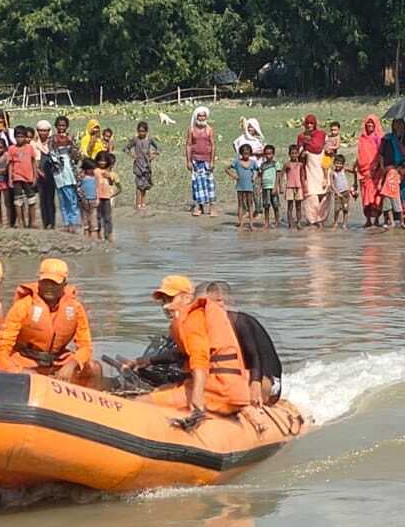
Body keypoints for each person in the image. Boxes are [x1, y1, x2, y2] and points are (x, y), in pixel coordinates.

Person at [143, 275, 251, 420]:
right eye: (163, 300)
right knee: (160, 390)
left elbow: (199, 360)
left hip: (217, 391)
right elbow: (181, 354)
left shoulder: (193, 320)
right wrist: (147, 361)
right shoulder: (194, 317)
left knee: (141, 403)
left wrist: (197, 397)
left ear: (186, 298)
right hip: (225, 389)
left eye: (170, 299)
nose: (165, 306)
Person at [0, 258, 96, 385]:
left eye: (54, 283)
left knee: (95, 368)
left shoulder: (75, 308)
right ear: (39, 282)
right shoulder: (23, 306)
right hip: (26, 361)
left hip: (58, 361)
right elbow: (2, 350)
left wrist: (72, 363)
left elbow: (85, 346)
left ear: (64, 284)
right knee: (24, 375)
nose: (49, 287)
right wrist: (18, 370)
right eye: (46, 282)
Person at [200, 281, 282, 405]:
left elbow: (254, 356)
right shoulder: (204, 325)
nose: (209, 307)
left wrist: (255, 383)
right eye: (205, 303)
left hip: (267, 378)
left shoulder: (240, 322)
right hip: (239, 375)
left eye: (217, 301)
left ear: (225, 303)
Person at [123, 121, 160, 212]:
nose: (141, 133)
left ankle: (143, 203)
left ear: (146, 131)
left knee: (145, 185)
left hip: (147, 165)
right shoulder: (135, 140)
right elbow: (126, 148)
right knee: (139, 186)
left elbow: (158, 148)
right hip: (138, 165)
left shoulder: (149, 140)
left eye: (143, 131)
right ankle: (138, 204)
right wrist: (132, 155)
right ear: (137, 131)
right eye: (139, 131)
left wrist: (153, 155)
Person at [185, 107, 216, 217]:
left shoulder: (209, 129)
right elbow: (188, 145)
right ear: (196, 117)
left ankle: (212, 208)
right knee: (197, 185)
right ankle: (199, 207)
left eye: (203, 116)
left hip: (207, 160)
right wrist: (188, 161)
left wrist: (212, 161)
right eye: (200, 116)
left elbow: (213, 145)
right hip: (195, 160)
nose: (202, 118)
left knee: (209, 183)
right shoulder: (191, 130)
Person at [355, 114, 384, 227]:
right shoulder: (362, 138)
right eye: (368, 123)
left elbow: (380, 153)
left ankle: (376, 219)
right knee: (365, 197)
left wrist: (376, 166)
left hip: (376, 172)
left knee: (376, 196)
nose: (370, 125)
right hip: (364, 172)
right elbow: (360, 154)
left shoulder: (379, 138)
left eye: (372, 123)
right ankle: (368, 220)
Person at [227, 143, 258, 229]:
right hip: (240, 186)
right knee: (240, 204)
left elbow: (258, 171)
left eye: (248, 153)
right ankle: (241, 223)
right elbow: (227, 169)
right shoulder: (237, 162)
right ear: (241, 153)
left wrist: (254, 177)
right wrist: (234, 176)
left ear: (250, 153)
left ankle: (251, 224)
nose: (246, 155)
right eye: (244, 153)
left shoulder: (253, 162)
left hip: (249, 186)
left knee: (250, 205)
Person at [94, 151, 120, 241]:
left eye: (104, 161)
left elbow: (113, 184)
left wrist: (108, 177)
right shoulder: (95, 171)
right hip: (97, 197)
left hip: (106, 197)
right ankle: (98, 234)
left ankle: (109, 234)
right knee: (97, 217)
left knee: (108, 217)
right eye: (100, 160)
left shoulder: (110, 174)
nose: (102, 162)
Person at [329, 153, 351, 228]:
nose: (338, 165)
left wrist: (354, 184)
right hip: (338, 193)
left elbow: (354, 171)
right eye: (337, 163)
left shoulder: (344, 170)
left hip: (346, 193)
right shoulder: (332, 173)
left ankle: (344, 224)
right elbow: (332, 185)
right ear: (334, 163)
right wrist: (337, 193)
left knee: (345, 209)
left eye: (340, 164)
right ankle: (335, 222)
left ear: (343, 164)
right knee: (337, 209)